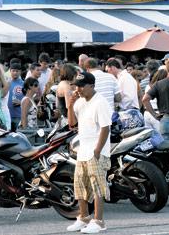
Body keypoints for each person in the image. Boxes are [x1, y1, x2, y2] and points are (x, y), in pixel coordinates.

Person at [67, 72, 111, 234]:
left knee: (98, 186)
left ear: (91, 86)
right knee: (80, 185)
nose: (78, 89)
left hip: (96, 151)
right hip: (83, 150)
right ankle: (84, 217)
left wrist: (98, 150)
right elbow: (72, 124)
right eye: (76, 85)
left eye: (81, 86)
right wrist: (70, 106)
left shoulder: (100, 102)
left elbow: (105, 128)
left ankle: (99, 221)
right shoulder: (79, 102)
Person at [8, 63, 24, 131]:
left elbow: (29, 100)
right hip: (7, 115)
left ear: (20, 72)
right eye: (13, 71)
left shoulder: (24, 84)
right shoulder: (6, 83)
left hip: (19, 115)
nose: (15, 73)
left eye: (17, 71)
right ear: (10, 71)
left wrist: (21, 102)